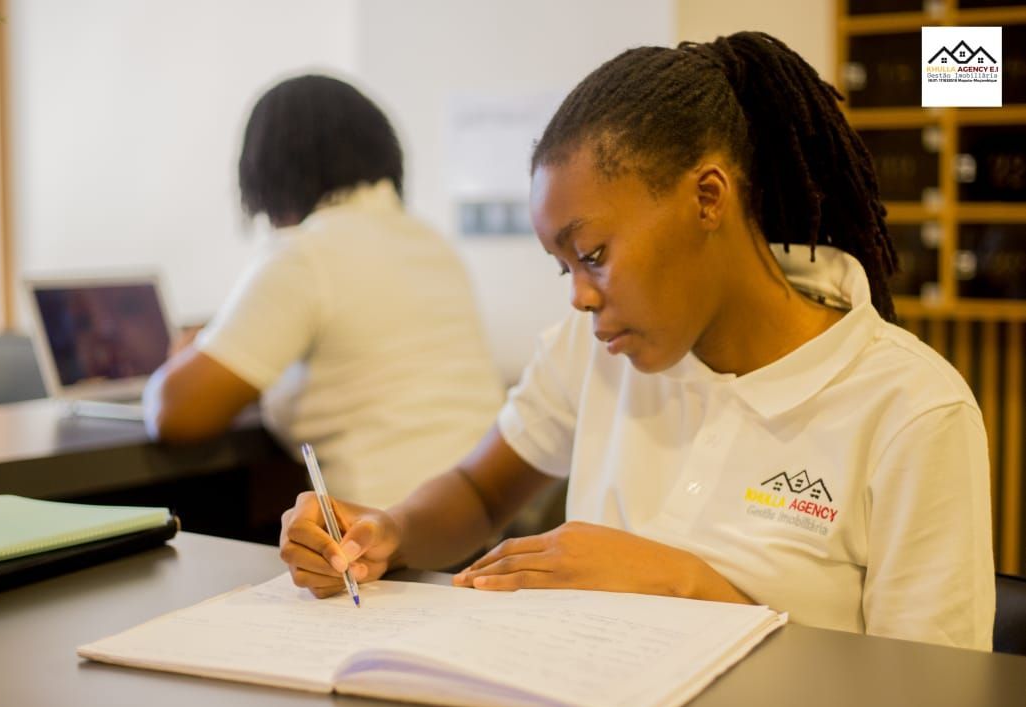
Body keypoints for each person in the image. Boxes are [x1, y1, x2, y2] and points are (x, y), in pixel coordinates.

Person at [278, 34, 995, 650]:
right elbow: (478, 490)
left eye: (592, 254)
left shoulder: (909, 410)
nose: (579, 296)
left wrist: (680, 583)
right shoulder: (591, 346)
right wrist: (387, 531)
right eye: (564, 268)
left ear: (706, 197)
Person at [144, 75, 503, 508]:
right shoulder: (430, 240)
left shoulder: (308, 253)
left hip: (387, 532)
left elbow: (175, 414)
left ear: (268, 171)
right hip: (476, 522)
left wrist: (193, 350)